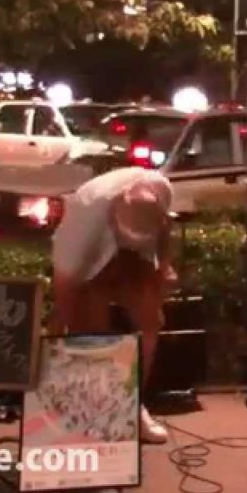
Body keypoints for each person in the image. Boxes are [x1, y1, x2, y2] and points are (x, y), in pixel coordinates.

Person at [49, 166, 177, 444]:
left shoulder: (160, 188)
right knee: (91, 330)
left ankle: (133, 406)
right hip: (94, 257)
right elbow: (64, 288)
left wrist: (164, 266)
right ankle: (93, 409)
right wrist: (61, 331)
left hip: (137, 252)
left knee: (150, 320)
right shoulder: (83, 227)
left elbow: (165, 230)